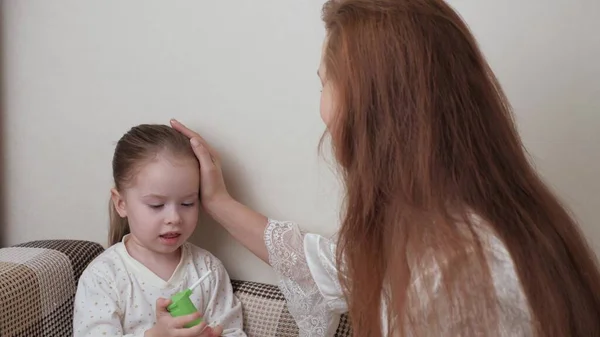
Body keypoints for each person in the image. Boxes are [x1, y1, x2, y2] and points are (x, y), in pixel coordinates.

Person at [171, 0, 600, 336]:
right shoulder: (431, 229)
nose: (321, 109)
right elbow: (316, 261)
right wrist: (217, 201)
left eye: (324, 84)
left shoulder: (455, 271)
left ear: (375, 108)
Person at [73, 124, 246, 337]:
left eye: (188, 203)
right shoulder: (104, 276)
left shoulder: (207, 269)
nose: (174, 218)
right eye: (156, 205)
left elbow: (232, 330)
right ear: (121, 203)